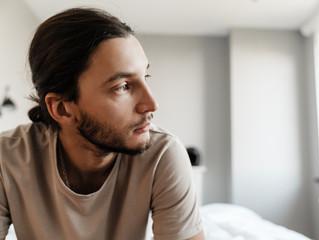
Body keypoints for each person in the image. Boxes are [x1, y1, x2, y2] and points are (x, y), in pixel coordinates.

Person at [0, 8, 204, 240]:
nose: (151, 104)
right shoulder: (7, 157)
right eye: (123, 86)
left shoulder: (162, 154)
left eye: (144, 77)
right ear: (62, 108)